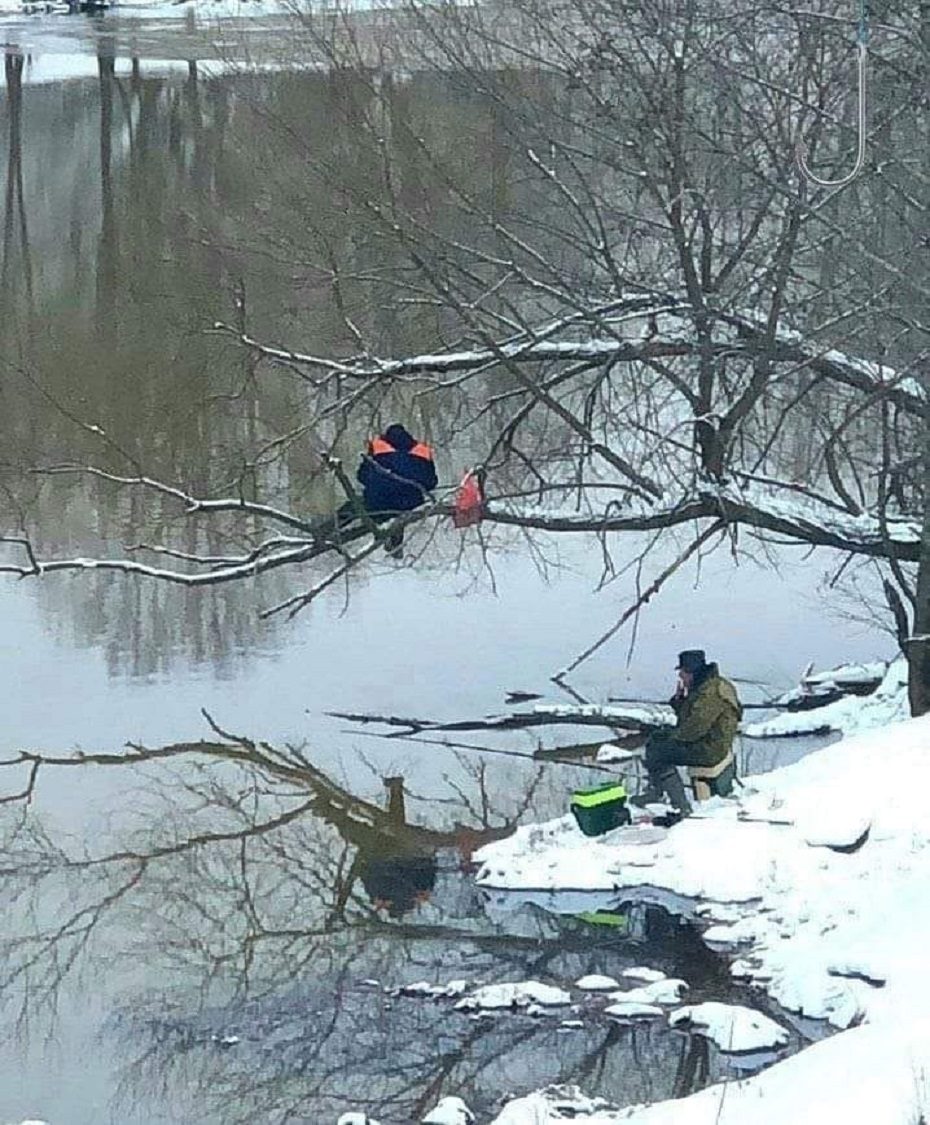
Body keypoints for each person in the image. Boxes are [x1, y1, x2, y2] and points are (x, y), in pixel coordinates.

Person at [634, 649, 742, 815]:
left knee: (658, 752)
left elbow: (693, 729)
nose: (681, 676)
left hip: (710, 748)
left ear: (692, 671)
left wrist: (670, 736)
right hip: (712, 740)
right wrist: (679, 702)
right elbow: (691, 721)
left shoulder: (710, 693)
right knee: (656, 739)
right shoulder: (710, 684)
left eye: (683, 672)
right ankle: (657, 790)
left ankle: (680, 805)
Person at [339, 423, 438, 557]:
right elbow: (431, 482)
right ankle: (394, 542)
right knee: (400, 508)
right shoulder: (422, 450)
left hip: (378, 502)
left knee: (355, 505)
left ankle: (330, 530)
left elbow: (361, 476)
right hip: (410, 504)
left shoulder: (377, 448)